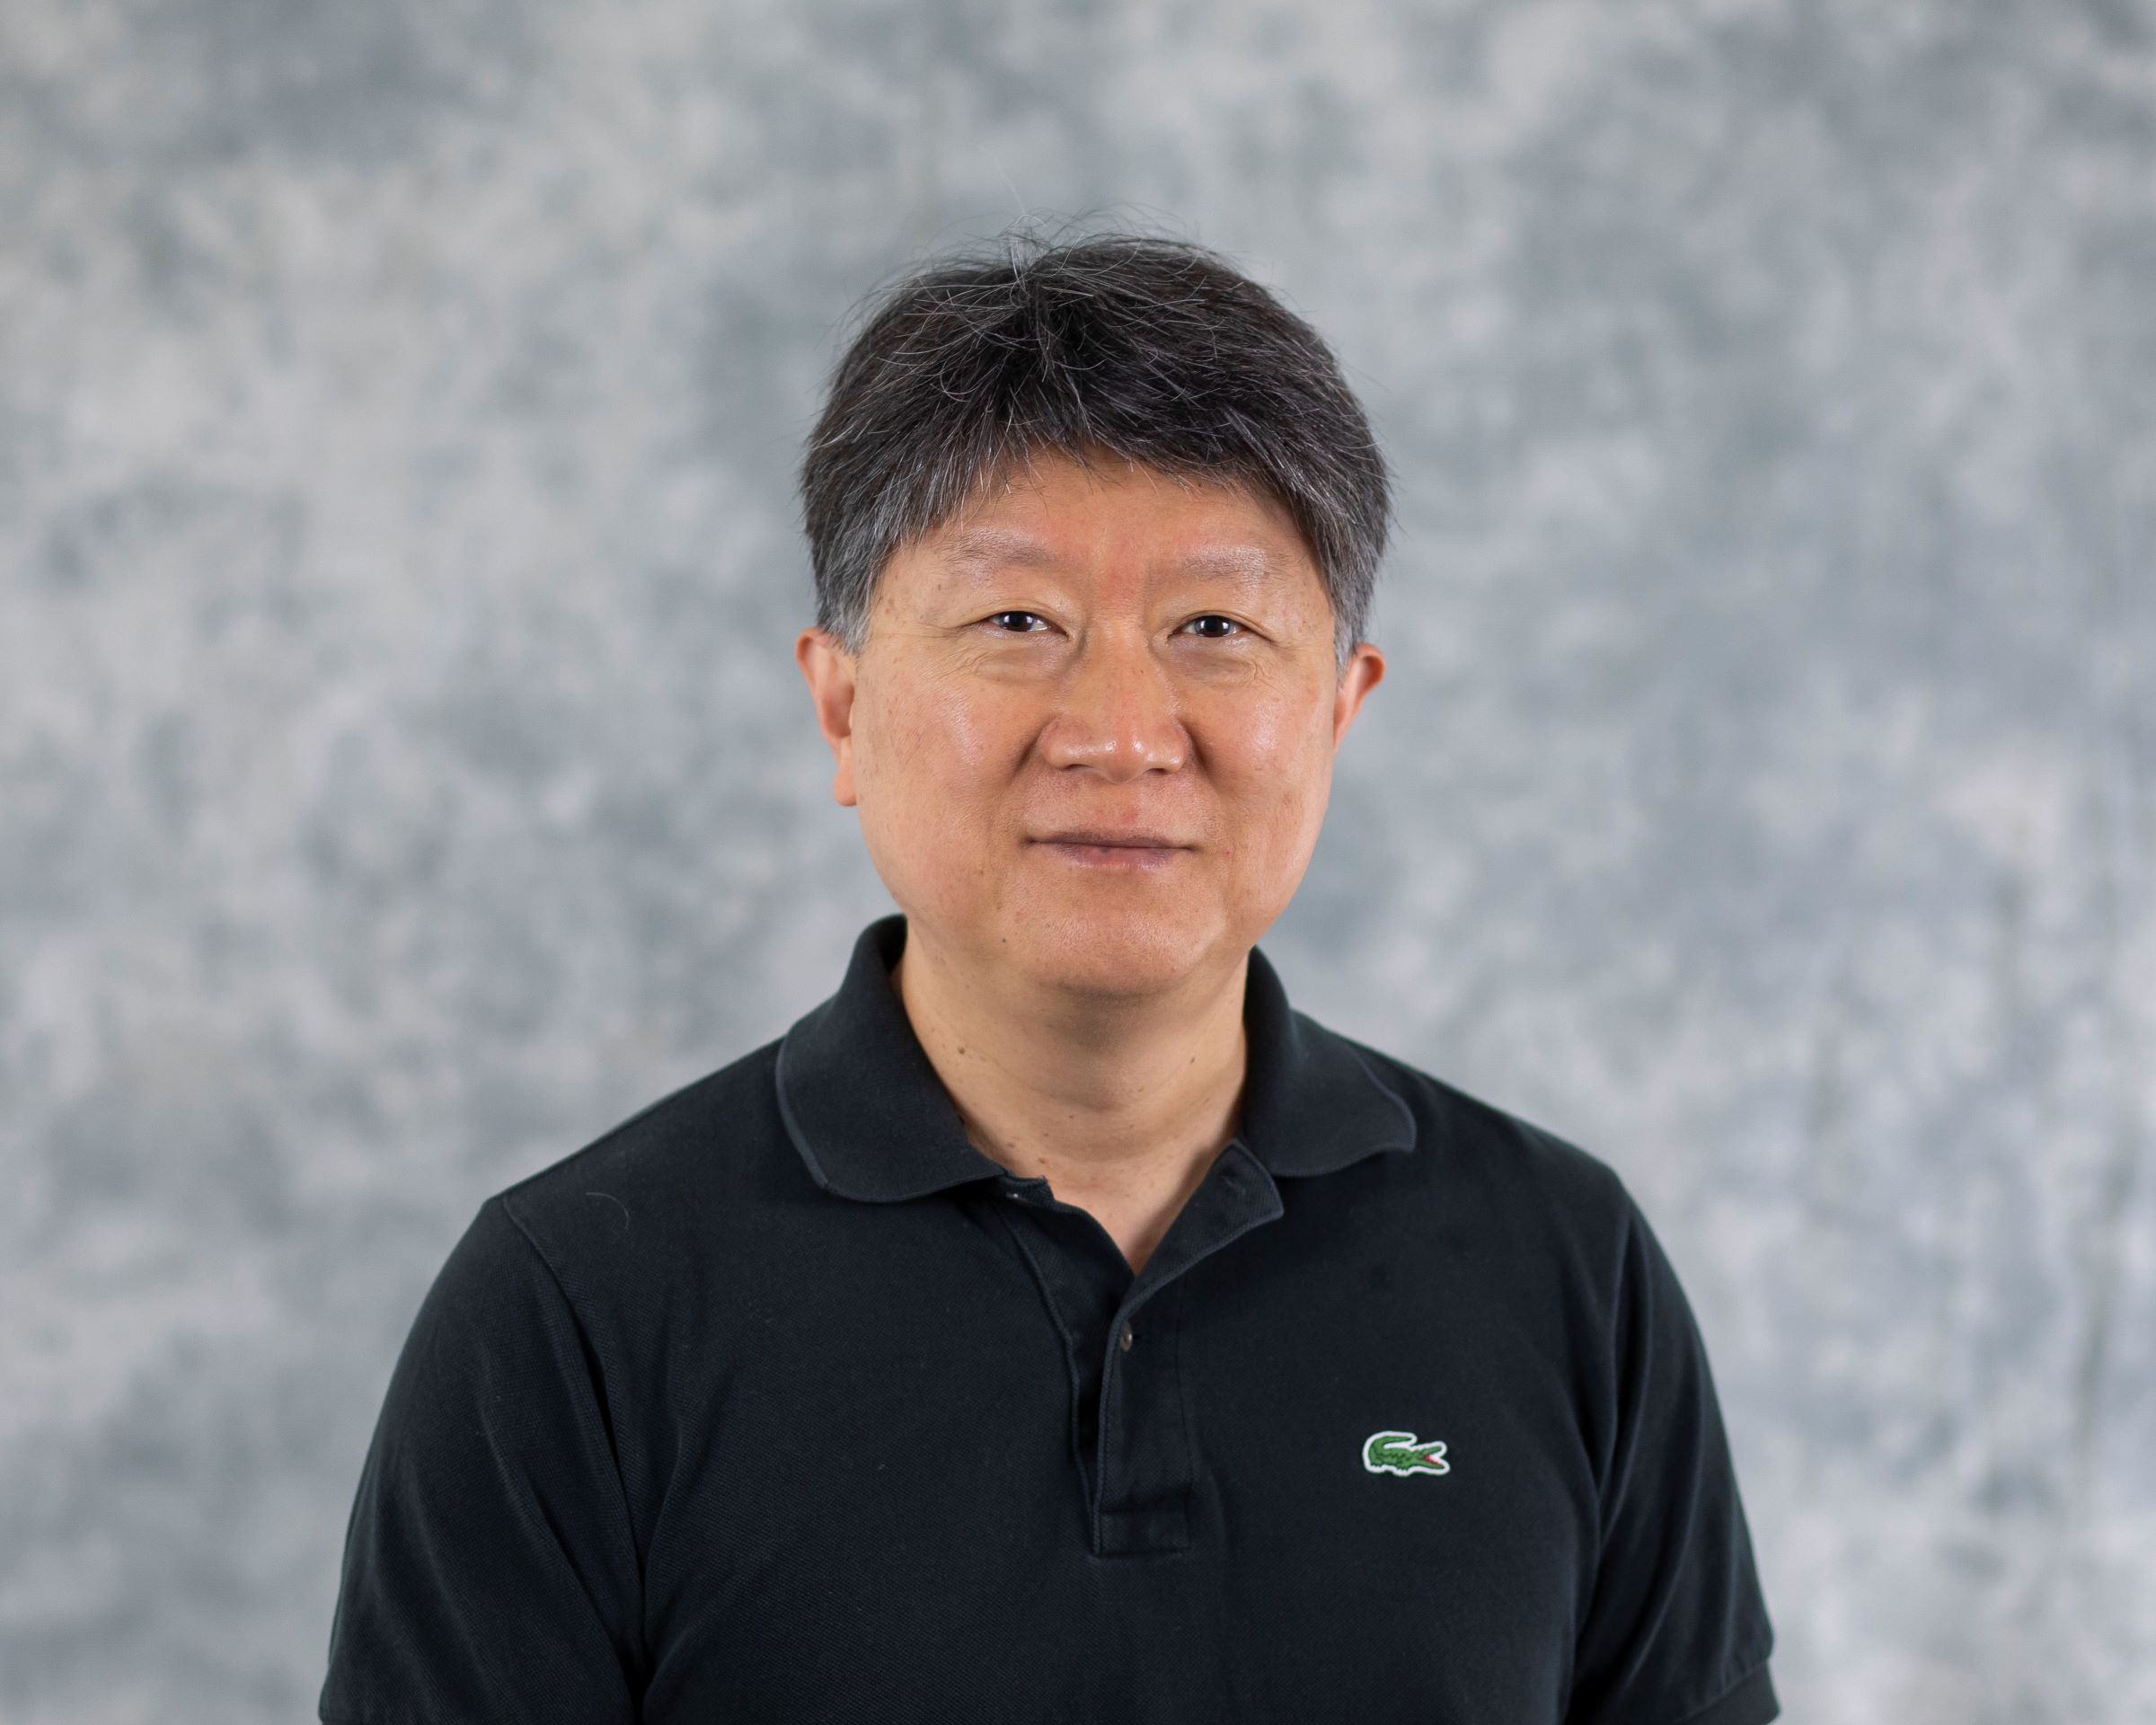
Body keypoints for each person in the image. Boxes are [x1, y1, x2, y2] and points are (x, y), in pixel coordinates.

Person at [318, 231, 1780, 1724]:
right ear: (841, 705)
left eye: (1215, 628)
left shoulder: (1561, 1266)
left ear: (1341, 711)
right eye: (1019, 623)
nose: (1123, 730)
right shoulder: (580, 1308)